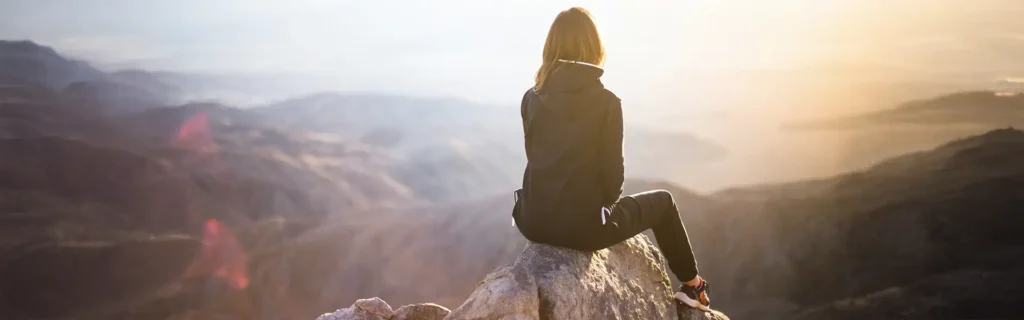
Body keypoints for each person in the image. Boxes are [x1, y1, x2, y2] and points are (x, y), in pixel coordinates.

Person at [511, 7, 711, 310]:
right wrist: (599, 209)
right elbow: (613, 183)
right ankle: (693, 286)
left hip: (532, 220)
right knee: (665, 203)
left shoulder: (531, 97)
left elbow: (536, 158)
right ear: (594, 48)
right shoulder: (605, 103)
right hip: (584, 228)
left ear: (550, 47)